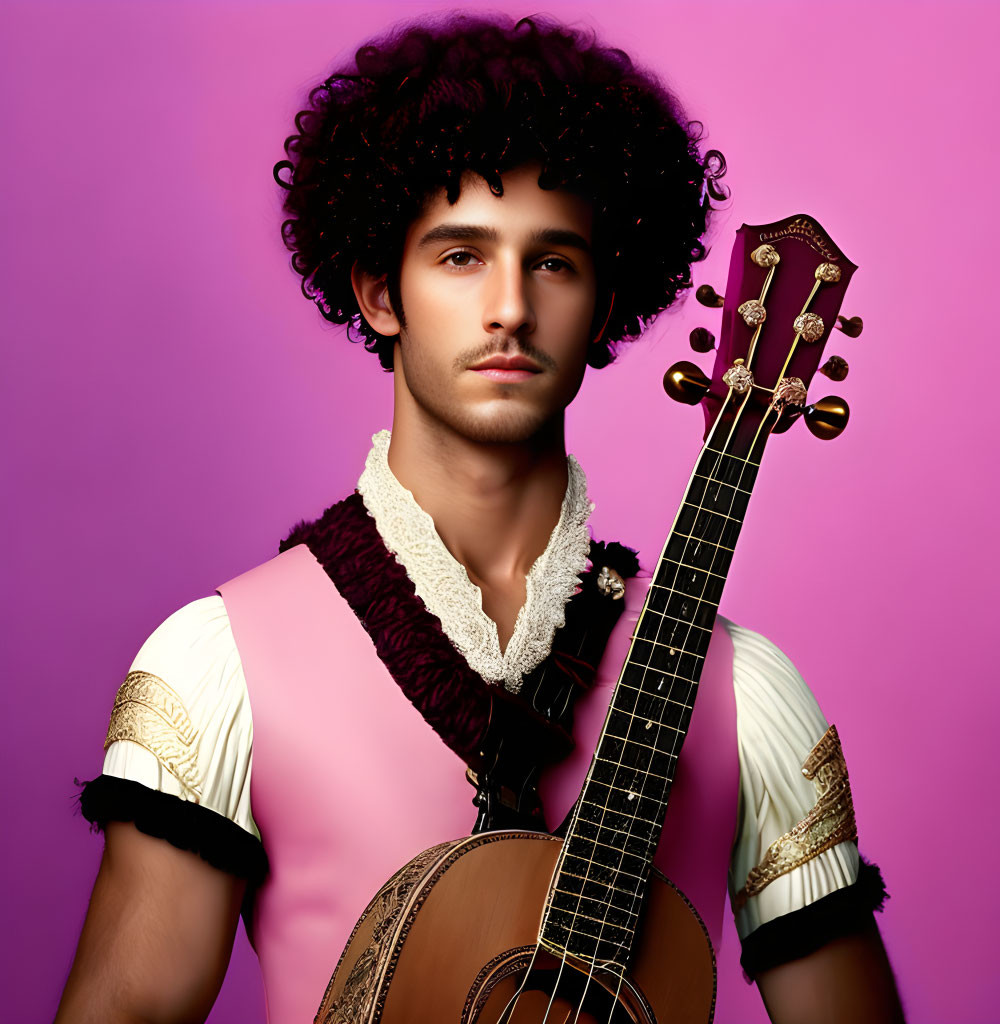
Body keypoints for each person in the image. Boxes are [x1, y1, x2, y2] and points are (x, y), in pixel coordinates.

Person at [57, 12, 902, 1023]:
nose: (508, 307)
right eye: (460, 257)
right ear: (380, 292)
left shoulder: (743, 696)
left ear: (601, 306)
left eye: (552, 261)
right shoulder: (220, 665)